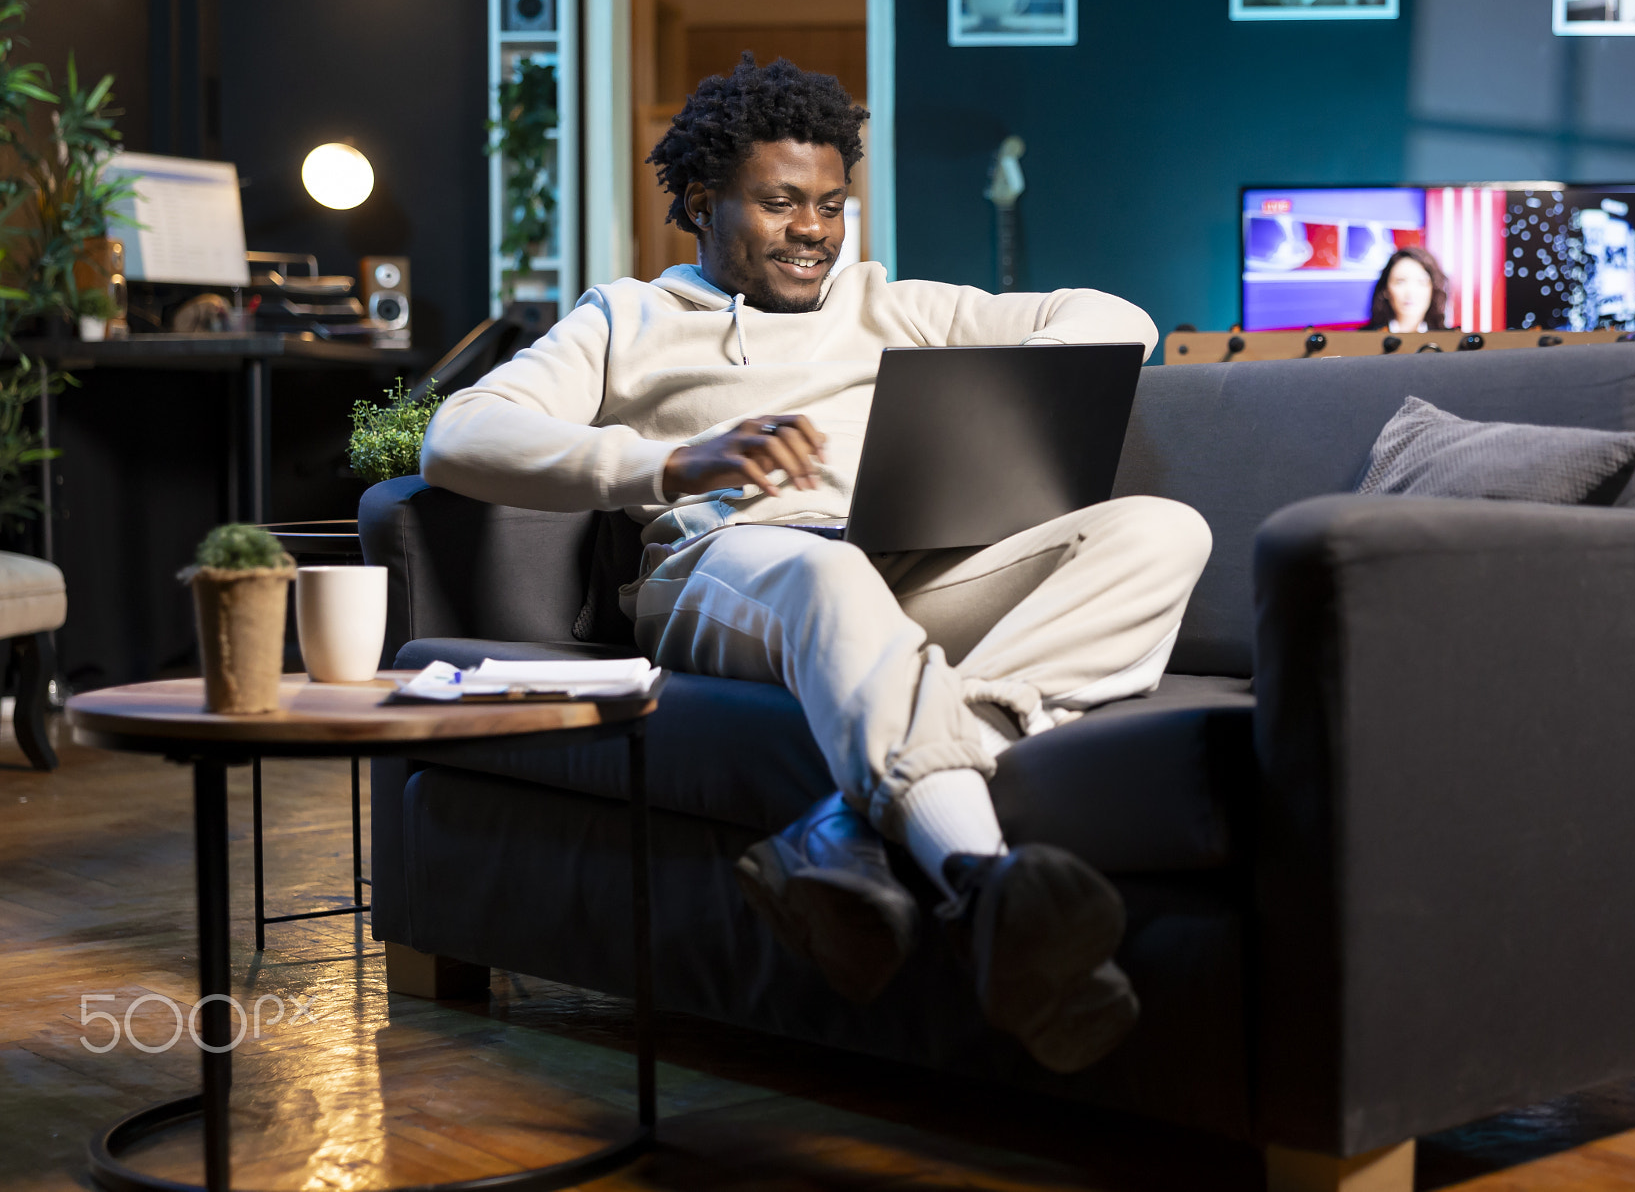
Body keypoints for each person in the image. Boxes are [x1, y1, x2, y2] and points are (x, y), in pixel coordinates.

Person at [420, 55, 1211, 1075]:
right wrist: (667, 461)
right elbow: (459, 434)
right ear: (703, 202)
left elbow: (1116, 320)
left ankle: (846, 820)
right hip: (727, 566)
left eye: (831, 204)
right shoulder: (628, 318)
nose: (814, 230)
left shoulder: (892, 304)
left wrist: (957, 412)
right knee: (823, 574)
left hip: (903, 572)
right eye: (780, 202)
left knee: (1161, 529)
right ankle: (980, 877)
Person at [1367, 245, 1450, 332]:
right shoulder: (1363, 338)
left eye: (1421, 282)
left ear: (1433, 289)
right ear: (1385, 290)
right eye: (1400, 282)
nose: (1410, 292)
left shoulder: (1449, 340)